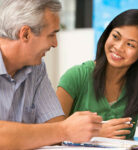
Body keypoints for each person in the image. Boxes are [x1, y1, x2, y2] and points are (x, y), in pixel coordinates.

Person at [0, 0, 102, 149]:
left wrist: (69, 129)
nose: (55, 44)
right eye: (51, 35)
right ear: (26, 34)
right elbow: (61, 130)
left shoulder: (36, 69)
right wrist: (64, 130)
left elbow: (55, 128)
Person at [57, 9, 138, 140]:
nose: (118, 47)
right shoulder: (76, 76)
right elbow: (51, 134)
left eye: (130, 44)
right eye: (116, 37)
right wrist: (94, 132)